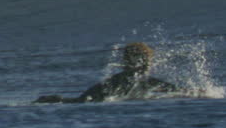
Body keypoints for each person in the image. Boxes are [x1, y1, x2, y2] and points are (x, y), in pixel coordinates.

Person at [35, 42, 178, 104]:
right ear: (144, 61)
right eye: (148, 60)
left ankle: (52, 99)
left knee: (76, 101)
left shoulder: (116, 79)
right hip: (99, 95)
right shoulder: (142, 80)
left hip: (96, 93)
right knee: (76, 101)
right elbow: (170, 89)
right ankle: (53, 99)